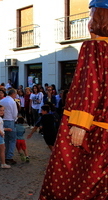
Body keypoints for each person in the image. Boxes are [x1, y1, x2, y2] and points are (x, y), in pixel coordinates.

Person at [39, 1, 108, 199]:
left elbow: (90, 85)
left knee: (73, 182)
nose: (88, 21)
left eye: (90, 15)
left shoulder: (93, 47)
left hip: (92, 128)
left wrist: (79, 123)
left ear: (98, 17)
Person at [0, 89, 18, 165]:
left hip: (3, 120)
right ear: (13, 94)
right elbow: (15, 113)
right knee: (12, 139)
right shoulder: (12, 102)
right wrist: (15, 119)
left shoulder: (2, 101)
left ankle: (5, 154)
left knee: (6, 139)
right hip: (10, 120)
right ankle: (9, 156)